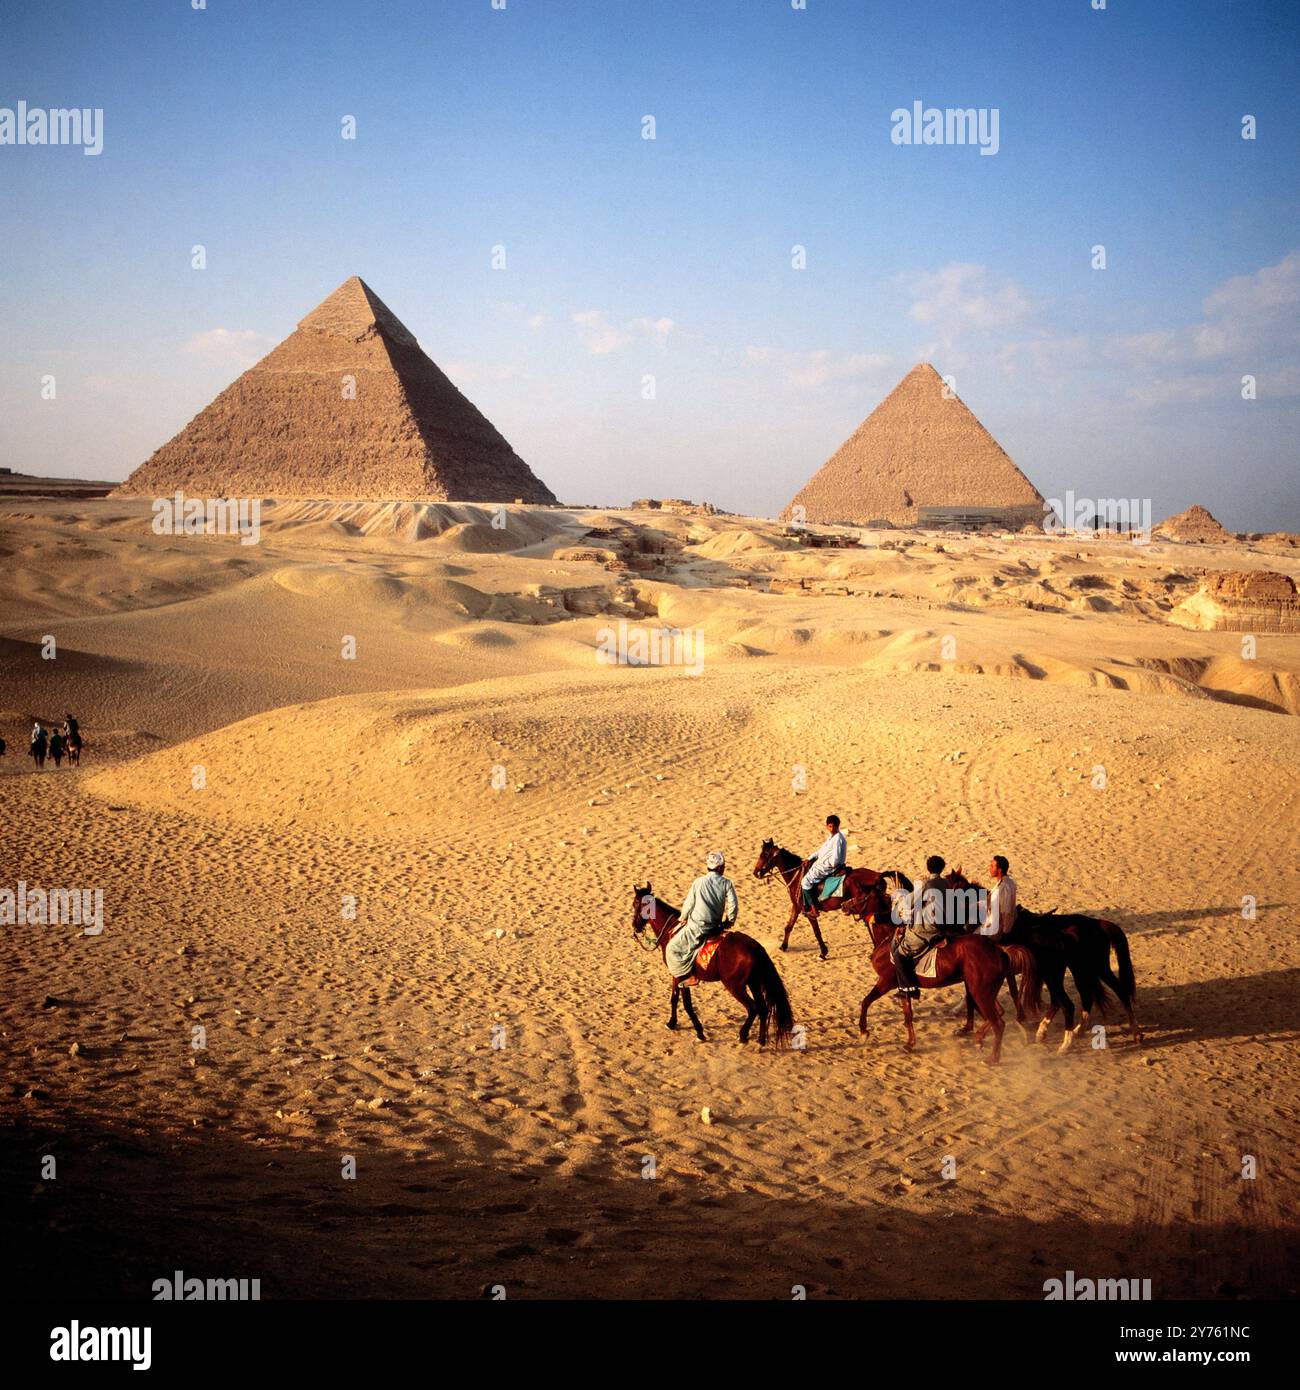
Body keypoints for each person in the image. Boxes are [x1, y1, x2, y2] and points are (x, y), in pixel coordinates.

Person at [666, 851, 738, 982]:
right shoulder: (727, 883)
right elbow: (733, 904)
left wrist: (683, 918)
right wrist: (730, 921)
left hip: (696, 928)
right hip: (715, 927)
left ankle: (686, 977)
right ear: (720, 867)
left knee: (671, 948)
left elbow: (688, 904)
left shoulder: (698, 882)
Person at [892, 854, 949, 998]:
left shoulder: (926, 885)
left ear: (928, 868)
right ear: (942, 869)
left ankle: (910, 987)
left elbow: (908, 902)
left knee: (899, 953)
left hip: (928, 928)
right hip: (945, 924)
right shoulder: (946, 883)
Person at [800, 814, 847, 914]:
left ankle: (813, 908)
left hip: (829, 867)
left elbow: (835, 860)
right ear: (826, 826)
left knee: (805, 881)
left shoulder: (838, 839)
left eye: (834, 826)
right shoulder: (831, 837)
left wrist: (821, 863)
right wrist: (809, 858)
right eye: (830, 826)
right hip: (823, 864)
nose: (832, 828)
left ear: (838, 826)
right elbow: (820, 851)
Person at [976, 855, 1017, 939]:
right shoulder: (1004, 882)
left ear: (999, 870)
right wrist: (977, 904)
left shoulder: (1004, 886)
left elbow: (1005, 911)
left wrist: (1005, 932)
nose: (989, 868)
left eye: (992, 866)